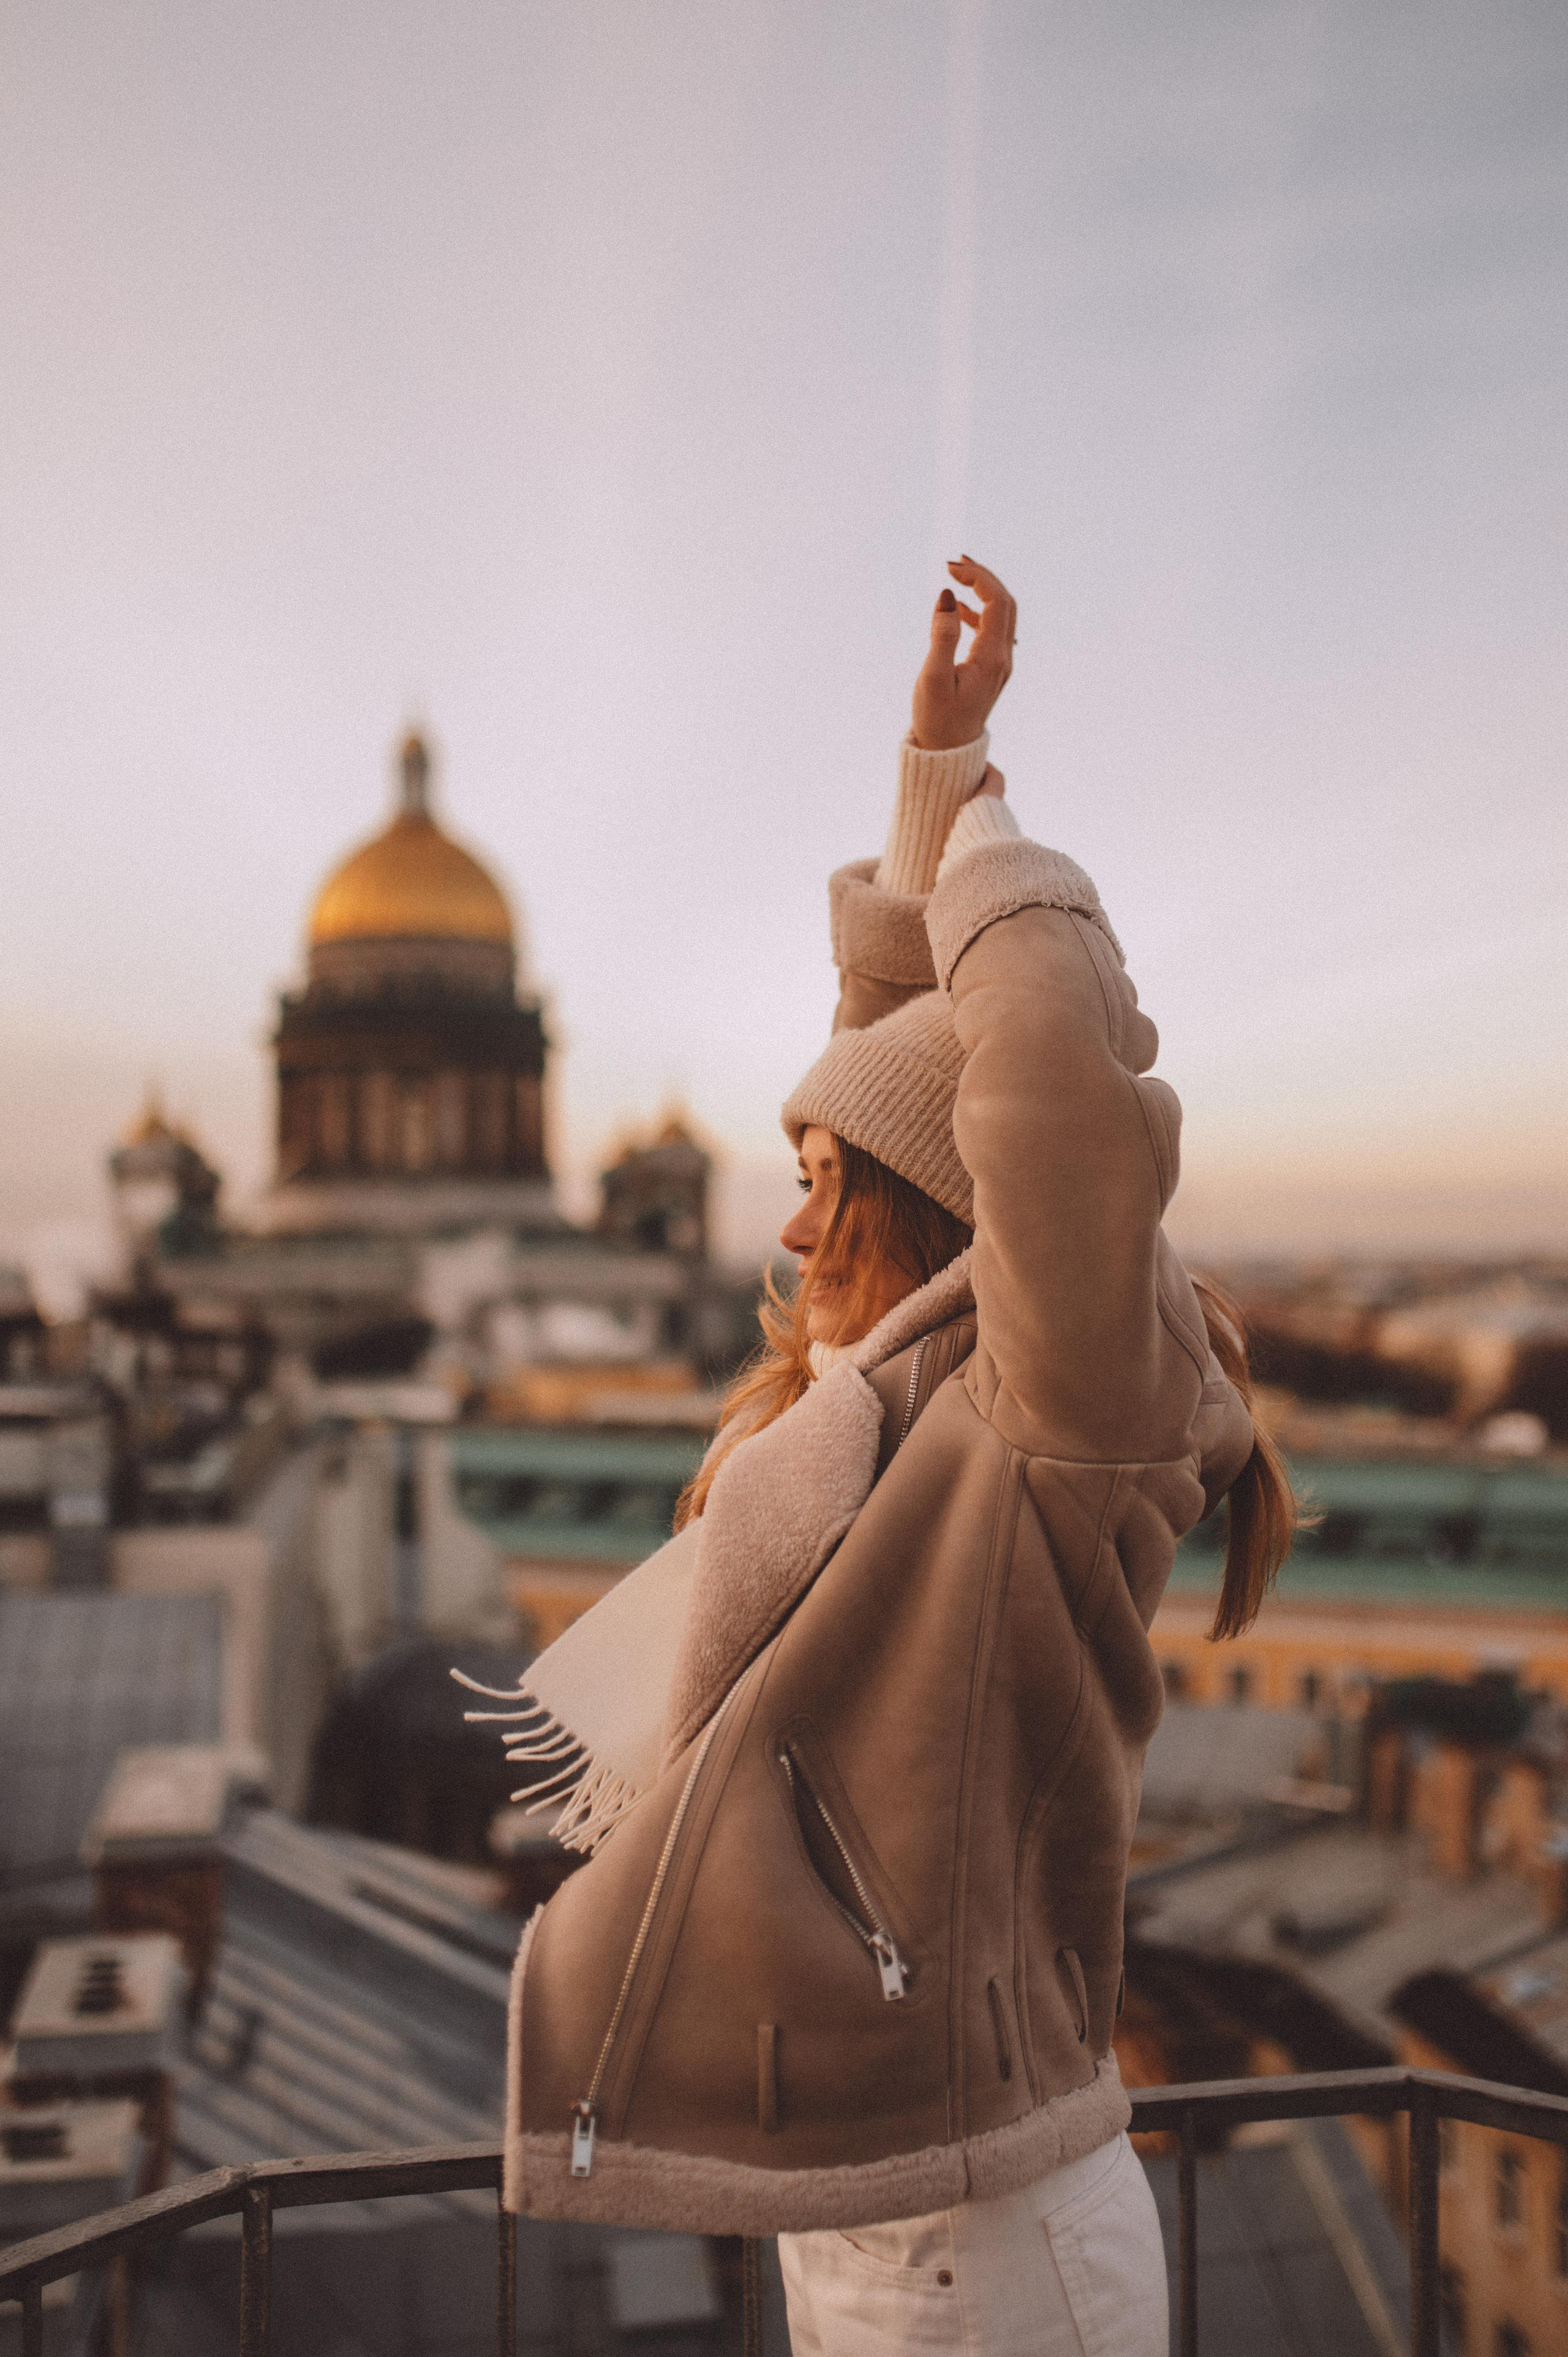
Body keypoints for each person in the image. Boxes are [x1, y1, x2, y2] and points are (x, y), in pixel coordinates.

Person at [477, 560, 1297, 2356]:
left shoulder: (1041, 1433)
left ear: (928, 1218)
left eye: (820, 1190)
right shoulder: (874, 1417)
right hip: (858, 2203)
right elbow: (893, 1078)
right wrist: (934, 771)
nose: (785, 1239)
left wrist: (991, 845)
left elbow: (1039, 1102)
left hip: (992, 2243)